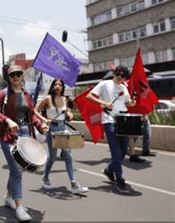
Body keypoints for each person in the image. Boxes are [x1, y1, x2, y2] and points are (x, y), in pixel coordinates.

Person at [0, 64, 48, 221]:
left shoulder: (27, 95)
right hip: (8, 136)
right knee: (16, 170)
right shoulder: (4, 94)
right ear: (8, 78)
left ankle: (9, 198)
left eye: (18, 74)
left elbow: (32, 116)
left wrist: (40, 125)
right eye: (12, 75)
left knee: (17, 170)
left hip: (25, 135)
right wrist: (7, 120)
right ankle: (19, 207)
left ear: (22, 76)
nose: (15, 77)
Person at [86, 65, 136, 194]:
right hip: (109, 121)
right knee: (116, 152)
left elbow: (126, 103)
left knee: (124, 152)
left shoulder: (124, 87)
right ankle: (120, 180)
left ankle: (109, 170)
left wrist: (131, 103)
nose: (119, 77)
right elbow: (89, 96)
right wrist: (103, 103)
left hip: (123, 120)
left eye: (122, 75)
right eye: (117, 74)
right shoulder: (104, 84)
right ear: (114, 73)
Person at [34, 78, 88, 194]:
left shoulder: (64, 99)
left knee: (68, 156)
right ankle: (45, 178)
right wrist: (44, 119)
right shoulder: (48, 99)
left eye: (60, 85)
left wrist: (69, 114)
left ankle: (74, 183)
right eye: (56, 84)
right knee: (52, 158)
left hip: (64, 129)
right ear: (52, 86)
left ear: (63, 87)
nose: (58, 86)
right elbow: (35, 110)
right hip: (52, 129)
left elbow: (66, 112)